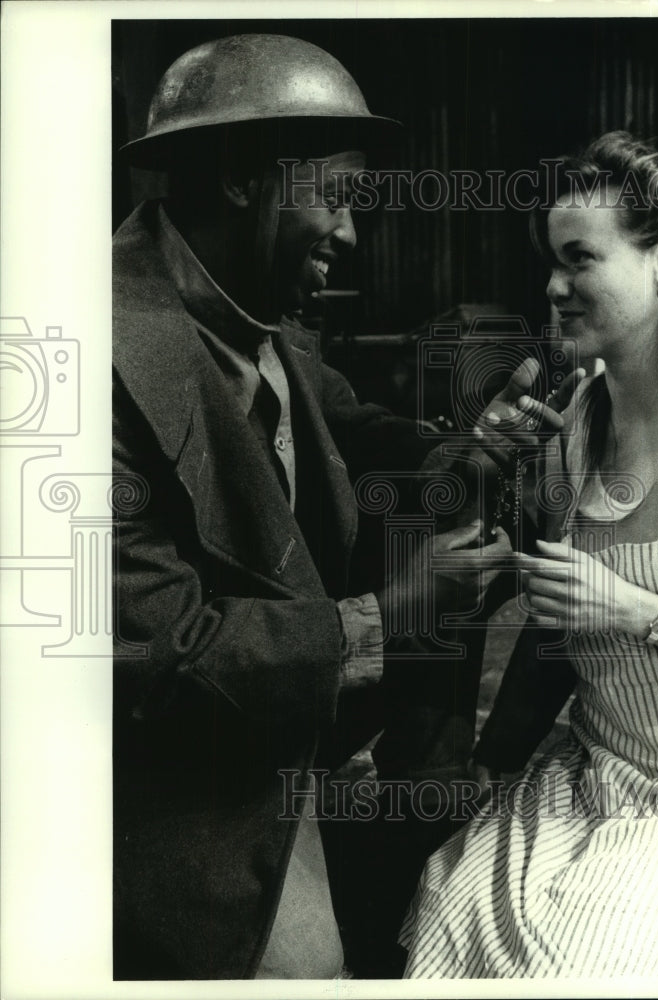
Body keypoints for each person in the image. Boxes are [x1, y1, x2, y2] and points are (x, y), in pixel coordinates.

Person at [111, 33, 522, 980]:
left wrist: (474, 450)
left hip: (297, 744)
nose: (350, 235)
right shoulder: (82, 359)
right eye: (335, 199)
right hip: (176, 801)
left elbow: (359, 425)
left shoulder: (256, 315)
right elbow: (160, 658)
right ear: (244, 178)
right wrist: (395, 616)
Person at [400, 131, 658, 978]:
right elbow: (543, 623)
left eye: (578, 259)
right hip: (593, 774)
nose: (553, 287)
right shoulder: (570, 421)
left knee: (581, 961)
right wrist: (481, 470)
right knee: (445, 910)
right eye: (550, 261)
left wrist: (637, 613)